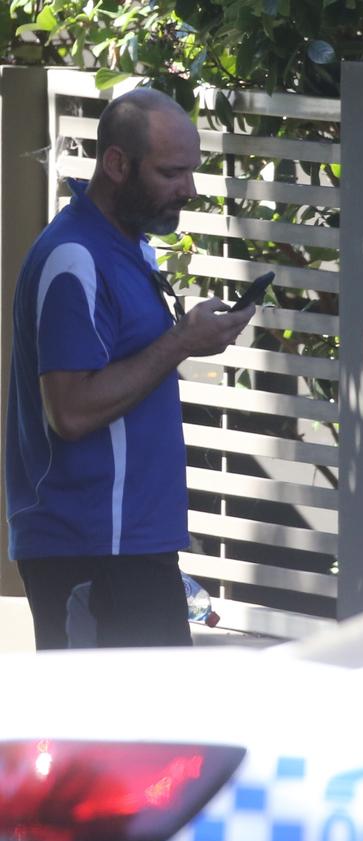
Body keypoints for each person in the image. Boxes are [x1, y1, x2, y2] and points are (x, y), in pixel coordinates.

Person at [5, 87, 255, 649]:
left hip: (131, 544)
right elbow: (68, 411)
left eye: (191, 172)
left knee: (161, 731)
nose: (187, 189)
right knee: (101, 734)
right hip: (90, 547)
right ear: (116, 164)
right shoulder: (74, 259)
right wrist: (180, 342)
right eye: (171, 173)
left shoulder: (129, 245)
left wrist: (186, 340)